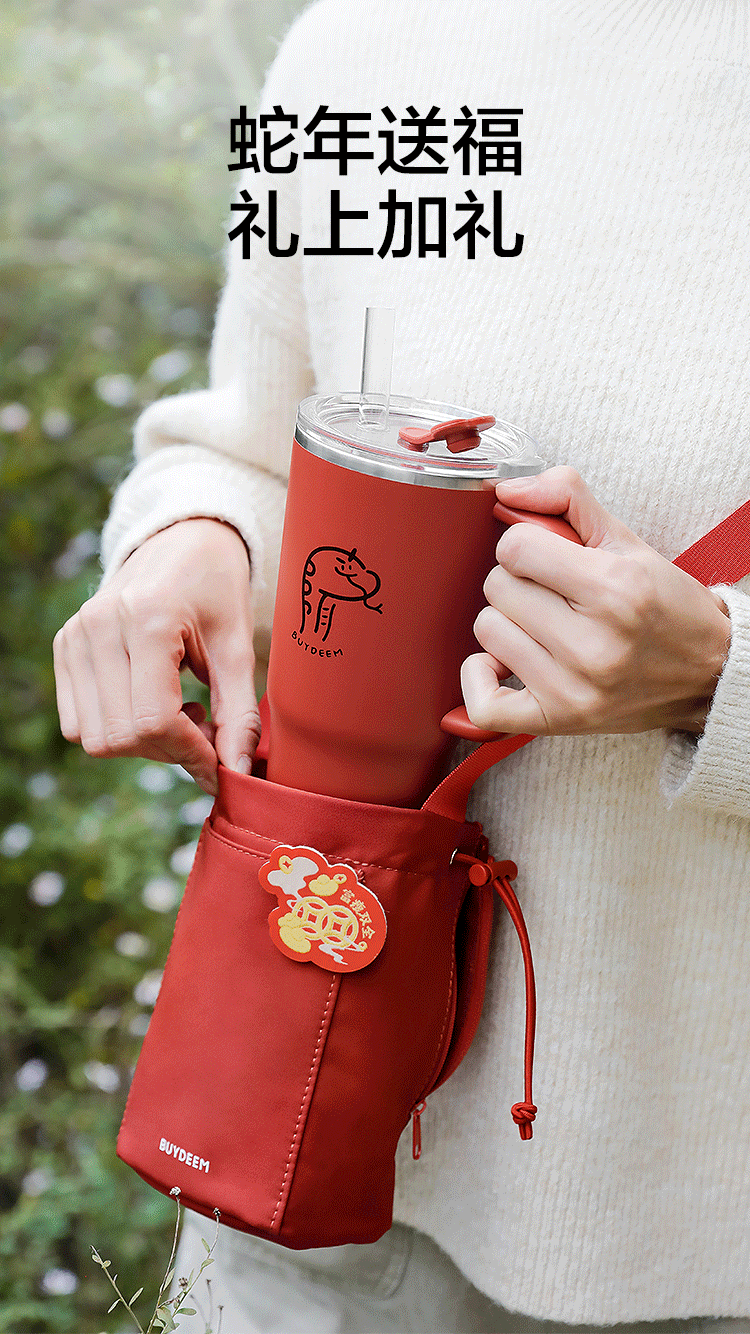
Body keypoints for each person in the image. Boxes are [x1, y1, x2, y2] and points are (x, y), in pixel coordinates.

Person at [52, 1, 750, 1330]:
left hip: (713, 1231)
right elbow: (247, 445)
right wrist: (187, 539)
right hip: (312, 1146)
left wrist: (720, 680)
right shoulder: (362, 43)